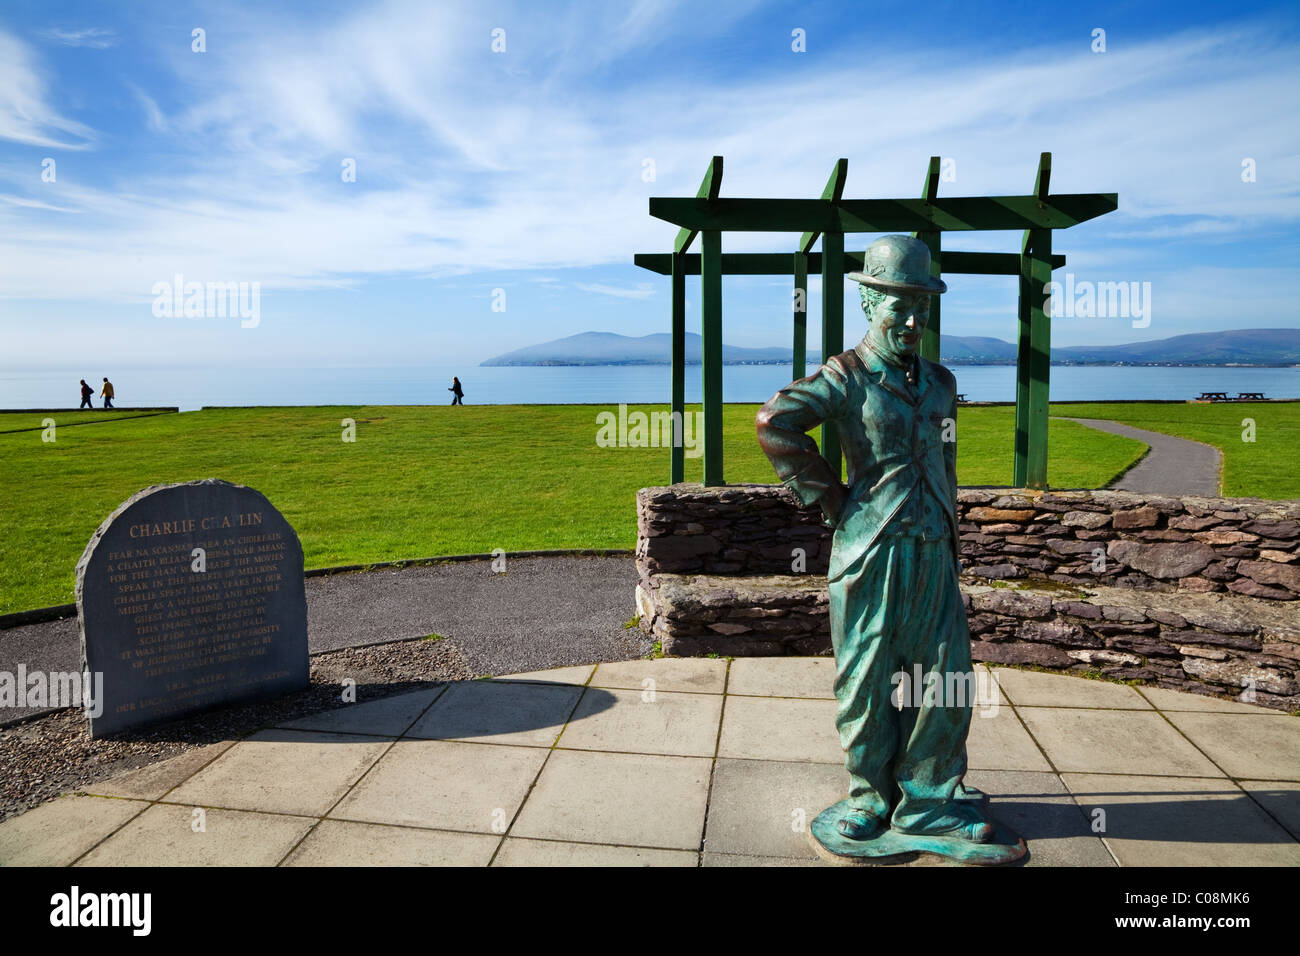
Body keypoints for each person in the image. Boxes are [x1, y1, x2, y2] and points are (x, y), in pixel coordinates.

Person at [756, 235, 995, 848]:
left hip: (932, 547)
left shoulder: (942, 383)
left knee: (945, 680)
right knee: (866, 680)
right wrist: (833, 500)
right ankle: (870, 795)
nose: (913, 320)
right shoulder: (847, 376)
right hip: (872, 551)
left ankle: (929, 800)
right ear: (869, 302)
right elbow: (776, 422)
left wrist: (950, 531)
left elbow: (945, 462)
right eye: (899, 306)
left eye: (922, 305)